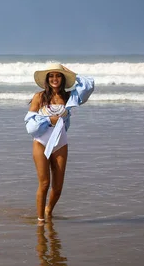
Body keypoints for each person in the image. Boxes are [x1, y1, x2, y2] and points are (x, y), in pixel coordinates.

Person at [24, 63, 94, 223]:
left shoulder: (70, 97)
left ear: (62, 79)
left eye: (58, 75)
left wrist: (72, 74)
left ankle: (49, 209)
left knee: (58, 187)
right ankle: (41, 220)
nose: (54, 79)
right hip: (41, 142)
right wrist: (49, 119)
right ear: (47, 80)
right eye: (51, 76)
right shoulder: (39, 97)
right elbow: (29, 124)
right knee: (44, 183)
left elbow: (89, 85)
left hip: (61, 143)